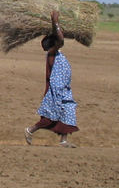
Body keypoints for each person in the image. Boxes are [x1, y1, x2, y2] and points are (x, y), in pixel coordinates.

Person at [25, 11, 79, 148]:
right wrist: (55, 21)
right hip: (55, 91)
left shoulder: (57, 54)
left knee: (68, 110)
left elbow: (60, 39)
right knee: (50, 116)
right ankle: (30, 130)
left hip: (64, 90)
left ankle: (64, 140)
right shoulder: (52, 53)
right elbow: (61, 39)